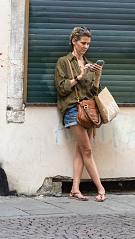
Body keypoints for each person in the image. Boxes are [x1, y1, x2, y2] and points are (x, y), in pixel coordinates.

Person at [54, 26, 106, 202]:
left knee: (80, 151)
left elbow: (94, 92)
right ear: (73, 41)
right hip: (73, 111)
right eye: (83, 43)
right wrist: (79, 77)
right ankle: (101, 188)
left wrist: (97, 75)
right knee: (88, 151)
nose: (86, 47)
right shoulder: (64, 62)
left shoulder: (89, 63)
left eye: (88, 44)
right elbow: (61, 89)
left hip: (89, 112)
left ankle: (74, 189)